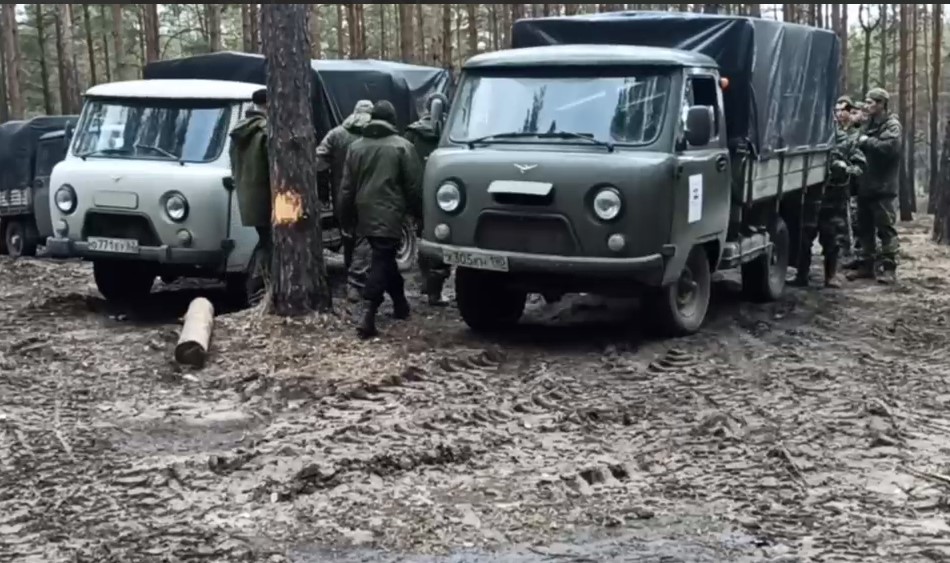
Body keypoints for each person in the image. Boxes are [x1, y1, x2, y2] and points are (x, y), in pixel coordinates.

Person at [339, 100, 423, 339]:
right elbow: (414, 187)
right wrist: (420, 216)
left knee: (384, 258)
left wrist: (345, 219)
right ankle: (368, 312)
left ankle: (400, 304)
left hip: (364, 213)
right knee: (382, 259)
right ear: (393, 121)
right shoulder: (402, 147)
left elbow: (346, 189)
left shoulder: (355, 148)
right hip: (391, 213)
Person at [793, 96, 867, 288]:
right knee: (804, 237)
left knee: (831, 239)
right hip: (811, 196)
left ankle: (830, 276)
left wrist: (844, 170)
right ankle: (802, 275)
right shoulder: (810, 138)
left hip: (834, 198)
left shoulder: (845, 140)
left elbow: (860, 166)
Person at [317, 100, 374, 302]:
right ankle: (359, 282)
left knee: (348, 235)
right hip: (370, 195)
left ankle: (352, 273)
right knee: (366, 237)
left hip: (342, 194)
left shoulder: (336, 134)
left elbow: (319, 161)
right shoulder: (375, 136)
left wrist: (322, 190)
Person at [847, 88, 902, 285]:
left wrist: (866, 141)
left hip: (882, 187)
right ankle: (866, 266)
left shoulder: (891, 125)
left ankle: (889, 268)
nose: (867, 106)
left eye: (871, 103)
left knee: (885, 229)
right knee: (864, 228)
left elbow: (888, 149)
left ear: (881, 105)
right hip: (865, 185)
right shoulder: (867, 123)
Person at [404, 93, 451, 306]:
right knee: (443, 242)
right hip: (446, 196)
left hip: (419, 193)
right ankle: (434, 290)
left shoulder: (412, 133)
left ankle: (426, 281)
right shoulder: (451, 132)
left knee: (424, 236)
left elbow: (406, 165)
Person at [229, 88, 271, 296]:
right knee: (269, 246)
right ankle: (258, 290)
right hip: (267, 198)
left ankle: (259, 289)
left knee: (265, 241)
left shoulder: (239, 130)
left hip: (247, 197)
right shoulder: (265, 131)